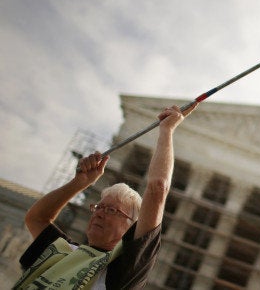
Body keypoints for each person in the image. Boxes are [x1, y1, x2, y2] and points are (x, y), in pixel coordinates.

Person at [14, 103, 198, 290]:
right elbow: (36, 218)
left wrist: (166, 131)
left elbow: (157, 189)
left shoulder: (121, 274)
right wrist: (79, 183)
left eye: (111, 210)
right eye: (98, 207)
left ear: (130, 228)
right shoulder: (64, 253)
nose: (99, 214)